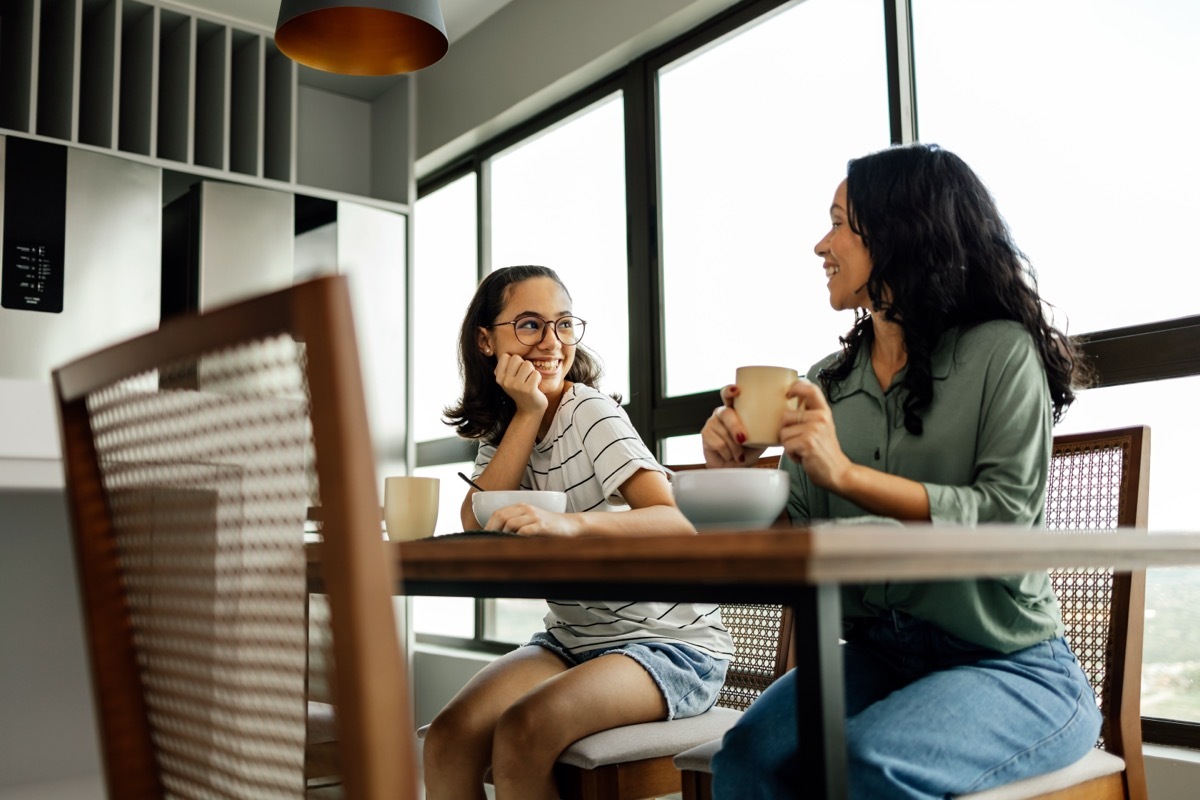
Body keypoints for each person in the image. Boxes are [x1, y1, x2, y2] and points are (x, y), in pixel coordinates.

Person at [701, 144, 1100, 799]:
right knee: (747, 758)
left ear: (899, 233)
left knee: (870, 763)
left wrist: (846, 475)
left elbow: (1005, 517)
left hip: (1012, 666)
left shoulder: (1001, 352)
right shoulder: (826, 383)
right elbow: (798, 538)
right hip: (879, 657)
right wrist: (733, 479)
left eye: (837, 221)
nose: (819, 244)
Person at [423, 265, 734, 800]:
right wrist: (527, 413)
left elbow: (675, 521)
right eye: (529, 325)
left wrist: (567, 525)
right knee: (447, 740)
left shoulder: (588, 410)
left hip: (670, 648)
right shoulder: (508, 424)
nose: (551, 342)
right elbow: (474, 521)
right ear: (485, 340)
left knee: (524, 731)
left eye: (563, 325)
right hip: (573, 640)